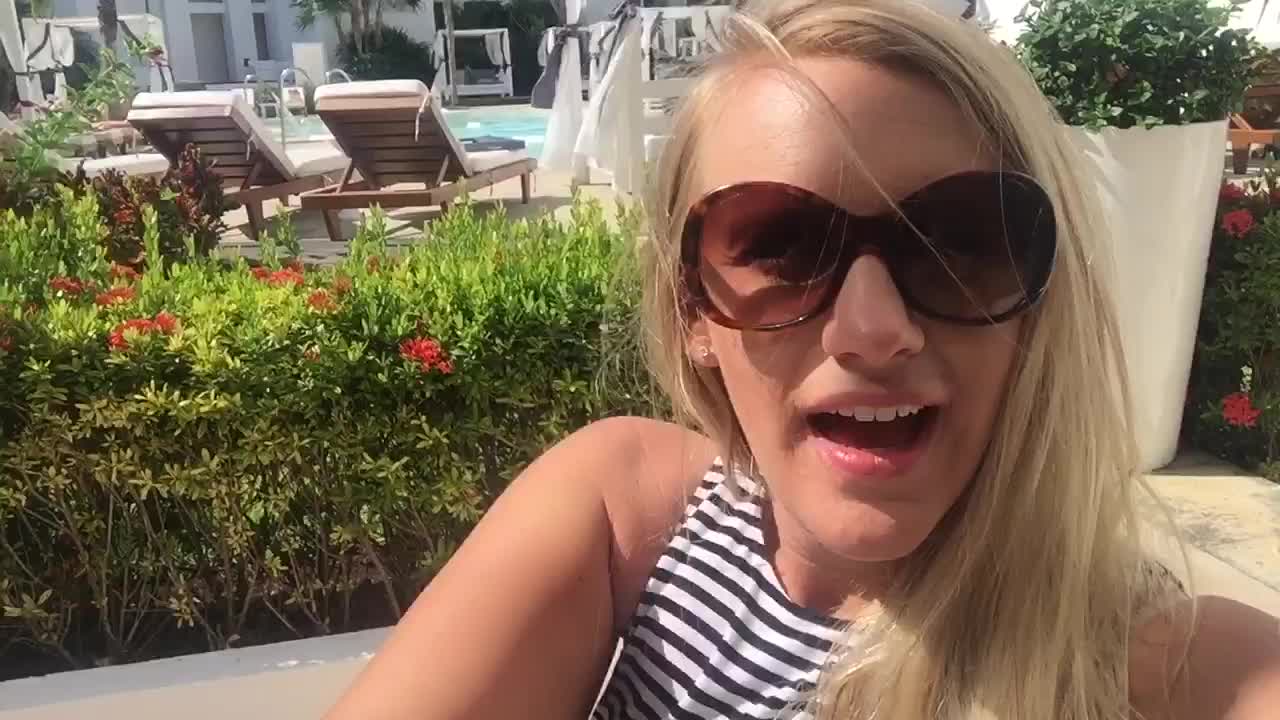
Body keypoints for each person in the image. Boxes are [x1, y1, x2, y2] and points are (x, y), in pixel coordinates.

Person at [324, 1, 1280, 718]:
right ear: (693, 311)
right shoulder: (626, 512)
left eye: (959, 239)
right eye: (780, 246)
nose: (873, 328)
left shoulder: (1170, 667)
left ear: (1041, 301)